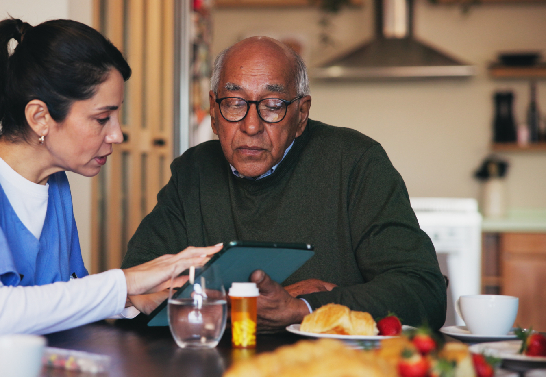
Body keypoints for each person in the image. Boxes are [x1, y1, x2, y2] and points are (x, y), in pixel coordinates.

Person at [0, 18, 221, 373]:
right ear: (40, 117)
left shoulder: (54, 185)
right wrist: (125, 282)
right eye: (102, 119)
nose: (117, 135)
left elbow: (53, 297)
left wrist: (132, 299)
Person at [121, 36, 447, 332]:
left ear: (301, 114)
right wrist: (246, 304)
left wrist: (303, 308)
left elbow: (423, 293)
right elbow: (136, 290)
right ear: (214, 111)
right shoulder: (193, 171)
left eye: (272, 105)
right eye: (234, 102)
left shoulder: (356, 162)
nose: (251, 125)